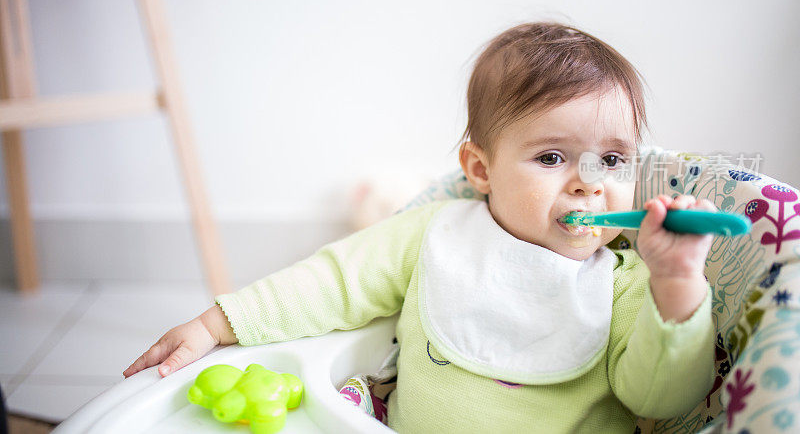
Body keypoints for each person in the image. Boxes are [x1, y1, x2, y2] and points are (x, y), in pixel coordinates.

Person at [123, 22, 717, 433]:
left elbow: (660, 398)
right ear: (480, 169)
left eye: (610, 161)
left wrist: (677, 286)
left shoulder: (624, 282)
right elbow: (332, 282)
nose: (589, 183)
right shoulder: (435, 234)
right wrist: (216, 324)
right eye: (552, 158)